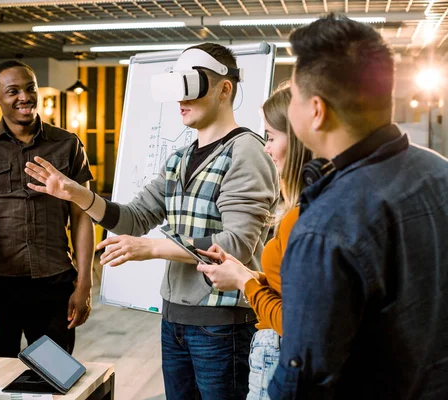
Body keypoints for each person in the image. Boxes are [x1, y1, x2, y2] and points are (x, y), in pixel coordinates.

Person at [25, 43, 279, 399]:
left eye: (192, 87)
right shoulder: (179, 158)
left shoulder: (246, 152)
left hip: (221, 326)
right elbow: (133, 218)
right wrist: (76, 194)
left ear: (225, 88)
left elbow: (234, 245)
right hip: (173, 320)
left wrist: (151, 248)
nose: (181, 100)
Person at [275, 15, 447, 399]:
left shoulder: (325, 228)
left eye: (296, 98)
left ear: (316, 111)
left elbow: (303, 382)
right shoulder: (439, 172)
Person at [0, 60, 94, 357]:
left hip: (54, 286)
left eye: (30, 88)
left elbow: (83, 218)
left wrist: (85, 284)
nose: (24, 97)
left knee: (53, 379)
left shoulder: (68, 145)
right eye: (13, 91)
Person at [197, 85, 312, 400]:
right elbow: (290, 288)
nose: (266, 148)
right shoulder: (306, 210)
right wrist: (249, 275)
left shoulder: (304, 219)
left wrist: (244, 282)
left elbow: (295, 320)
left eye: (272, 137)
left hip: (281, 350)